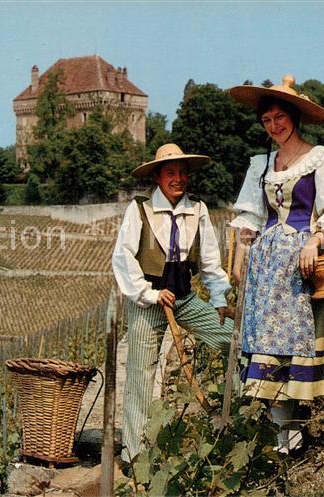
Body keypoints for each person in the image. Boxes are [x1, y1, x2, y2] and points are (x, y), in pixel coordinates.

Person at [228, 75, 324, 454]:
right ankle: (283, 438)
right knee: (268, 345)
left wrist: (314, 240)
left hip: (302, 262)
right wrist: (242, 258)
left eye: (280, 117)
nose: (275, 126)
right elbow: (250, 218)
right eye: (267, 120)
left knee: (299, 342)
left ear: (295, 117)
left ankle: (297, 433)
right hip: (266, 266)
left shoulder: (320, 158)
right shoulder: (261, 164)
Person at [112, 143, 234, 464]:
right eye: (170, 172)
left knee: (232, 339)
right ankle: (134, 453)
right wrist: (150, 294)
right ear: (157, 176)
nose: (177, 178)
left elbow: (209, 261)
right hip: (148, 301)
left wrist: (220, 298)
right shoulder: (139, 209)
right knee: (140, 372)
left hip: (183, 297)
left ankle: (238, 416)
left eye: (182, 172)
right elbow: (123, 257)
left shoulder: (198, 210)